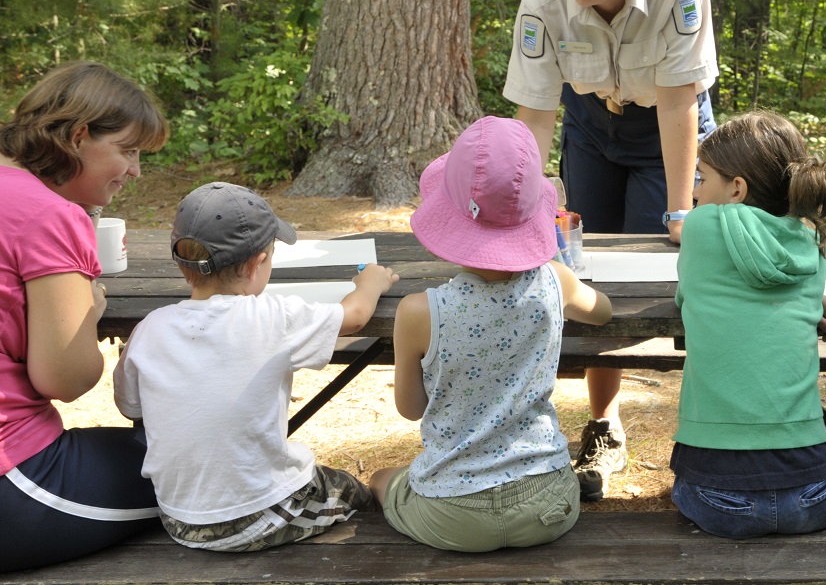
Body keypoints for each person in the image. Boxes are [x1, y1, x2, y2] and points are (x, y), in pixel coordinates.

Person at [504, 0, 718, 500]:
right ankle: (603, 422)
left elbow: (681, 103)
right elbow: (536, 113)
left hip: (670, 129)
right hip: (592, 127)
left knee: (679, 275)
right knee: (586, 272)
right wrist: (518, 210)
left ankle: (710, 426)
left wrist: (685, 213)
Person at [369, 116, 613, 552]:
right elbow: (603, 313)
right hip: (551, 502)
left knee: (382, 479)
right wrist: (565, 278)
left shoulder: (419, 311)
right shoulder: (555, 281)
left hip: (454, 514)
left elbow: (410, 408)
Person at [113, 182, 399, 552]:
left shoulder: (148, 328)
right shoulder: (273, 316)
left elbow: (129, 406)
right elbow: (356, 316)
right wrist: (371, 281)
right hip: (259, 515)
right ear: (255, 265)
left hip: (179, 518)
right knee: (360, 490)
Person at [0, 61, 169, 572]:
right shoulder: (49, 215)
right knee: (219, 468)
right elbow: (64, 378)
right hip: (19, 484)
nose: (136, 171)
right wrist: (89, 314)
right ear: (77, 136)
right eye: (128, 150)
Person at [670, 111, 826, 538]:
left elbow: (684, 300)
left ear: (736, 188)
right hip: (816, 493)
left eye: (702, 178)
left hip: (720, 498)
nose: (694, 193)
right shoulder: (815, 243)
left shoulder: (700, 227)